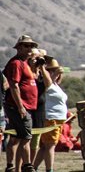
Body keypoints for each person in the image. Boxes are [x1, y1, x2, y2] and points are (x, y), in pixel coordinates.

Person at [4, 35, 39, 172]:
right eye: (26, 45)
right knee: (26, 137)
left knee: (15, 138)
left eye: (31, 46)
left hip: (25, 106)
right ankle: (27, 165)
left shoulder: (25, 63)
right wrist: (20, 107)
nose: (30, 48)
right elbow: (13, 85)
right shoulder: (16, 63)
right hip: (19, 107)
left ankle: (11, 166)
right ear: (19, 48)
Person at [33, 58, 68, 172]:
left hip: (57, 120)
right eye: (51, 71)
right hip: (51, 118)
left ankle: (34, 168)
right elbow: (48, 81)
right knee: (50, 146)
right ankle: (49, 169)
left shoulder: (55, 86)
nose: (55, 74)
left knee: (45, 146)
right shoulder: (45, 84)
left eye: (55, 71)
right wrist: (47, 70)